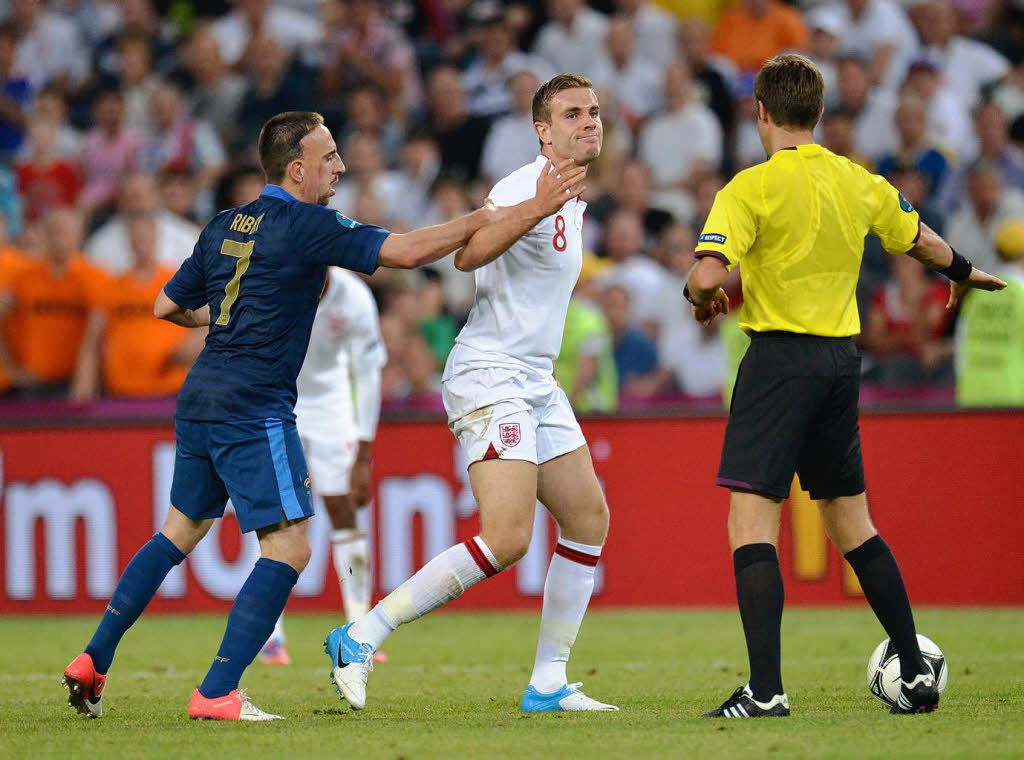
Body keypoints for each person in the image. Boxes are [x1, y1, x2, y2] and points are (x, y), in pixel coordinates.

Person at [60, 110, 561, 722]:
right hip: (254, 406)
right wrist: (486, 218)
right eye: (329, 157)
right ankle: (217, 693)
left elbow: (167, 303)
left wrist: (224, 318)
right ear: (297, 170)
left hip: (201, 398)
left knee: (177, 533)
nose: (341, 166)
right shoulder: (307, 224)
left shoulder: (223, 223)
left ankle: (93, 659)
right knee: (292, 549)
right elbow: (403, 252)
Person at [684, 54, 1005, 718]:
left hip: (778, 361)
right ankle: (914, 672)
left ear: (762, 112)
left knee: (750, 521)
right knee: (851, 521)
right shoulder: (857, 180)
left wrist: (700, 295)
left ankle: (766, 691)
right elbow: (920, 238)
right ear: (821, 113)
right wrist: (965, 271)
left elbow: (709, 274)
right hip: (839, 363)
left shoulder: (751, 187)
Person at [323, 74, 615, 714]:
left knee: (588, 517)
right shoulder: (523, 187)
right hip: (491, 373)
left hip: (535, 378)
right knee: (508, 538)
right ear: (543, 130)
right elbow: (469, 255)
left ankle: (547, 683)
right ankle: (361, 635)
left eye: (593, 112)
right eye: (572, 114)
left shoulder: (569, 195)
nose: (589, 122)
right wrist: (533, 207)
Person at [259, 266, 388, 666]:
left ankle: (359, 629)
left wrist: (364, 454)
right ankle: (270, 637)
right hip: (280, 401)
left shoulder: (353, 298)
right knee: (278, 517)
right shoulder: (277, 284)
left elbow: (368, 375)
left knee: (341, 508)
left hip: (332, 406)